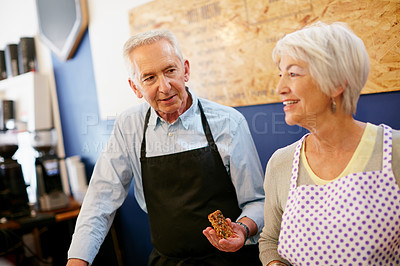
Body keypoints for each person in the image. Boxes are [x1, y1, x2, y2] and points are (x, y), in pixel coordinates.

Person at [66, 29, 265, 266]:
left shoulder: (229, 122)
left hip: (232, 261)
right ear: (135, 87)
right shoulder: (129, 126)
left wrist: (242, 229)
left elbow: (257, 202)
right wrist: (77, 261)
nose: (165, 86)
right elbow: (100, 200)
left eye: (170, 70)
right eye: (149, 77)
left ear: (186, 70)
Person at [258, 21, 400, 266]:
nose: (280, 88)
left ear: (336, 83)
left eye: (292, 74)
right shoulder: (280, 163)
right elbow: (271, 241)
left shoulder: (394, 151)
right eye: (281, 75)